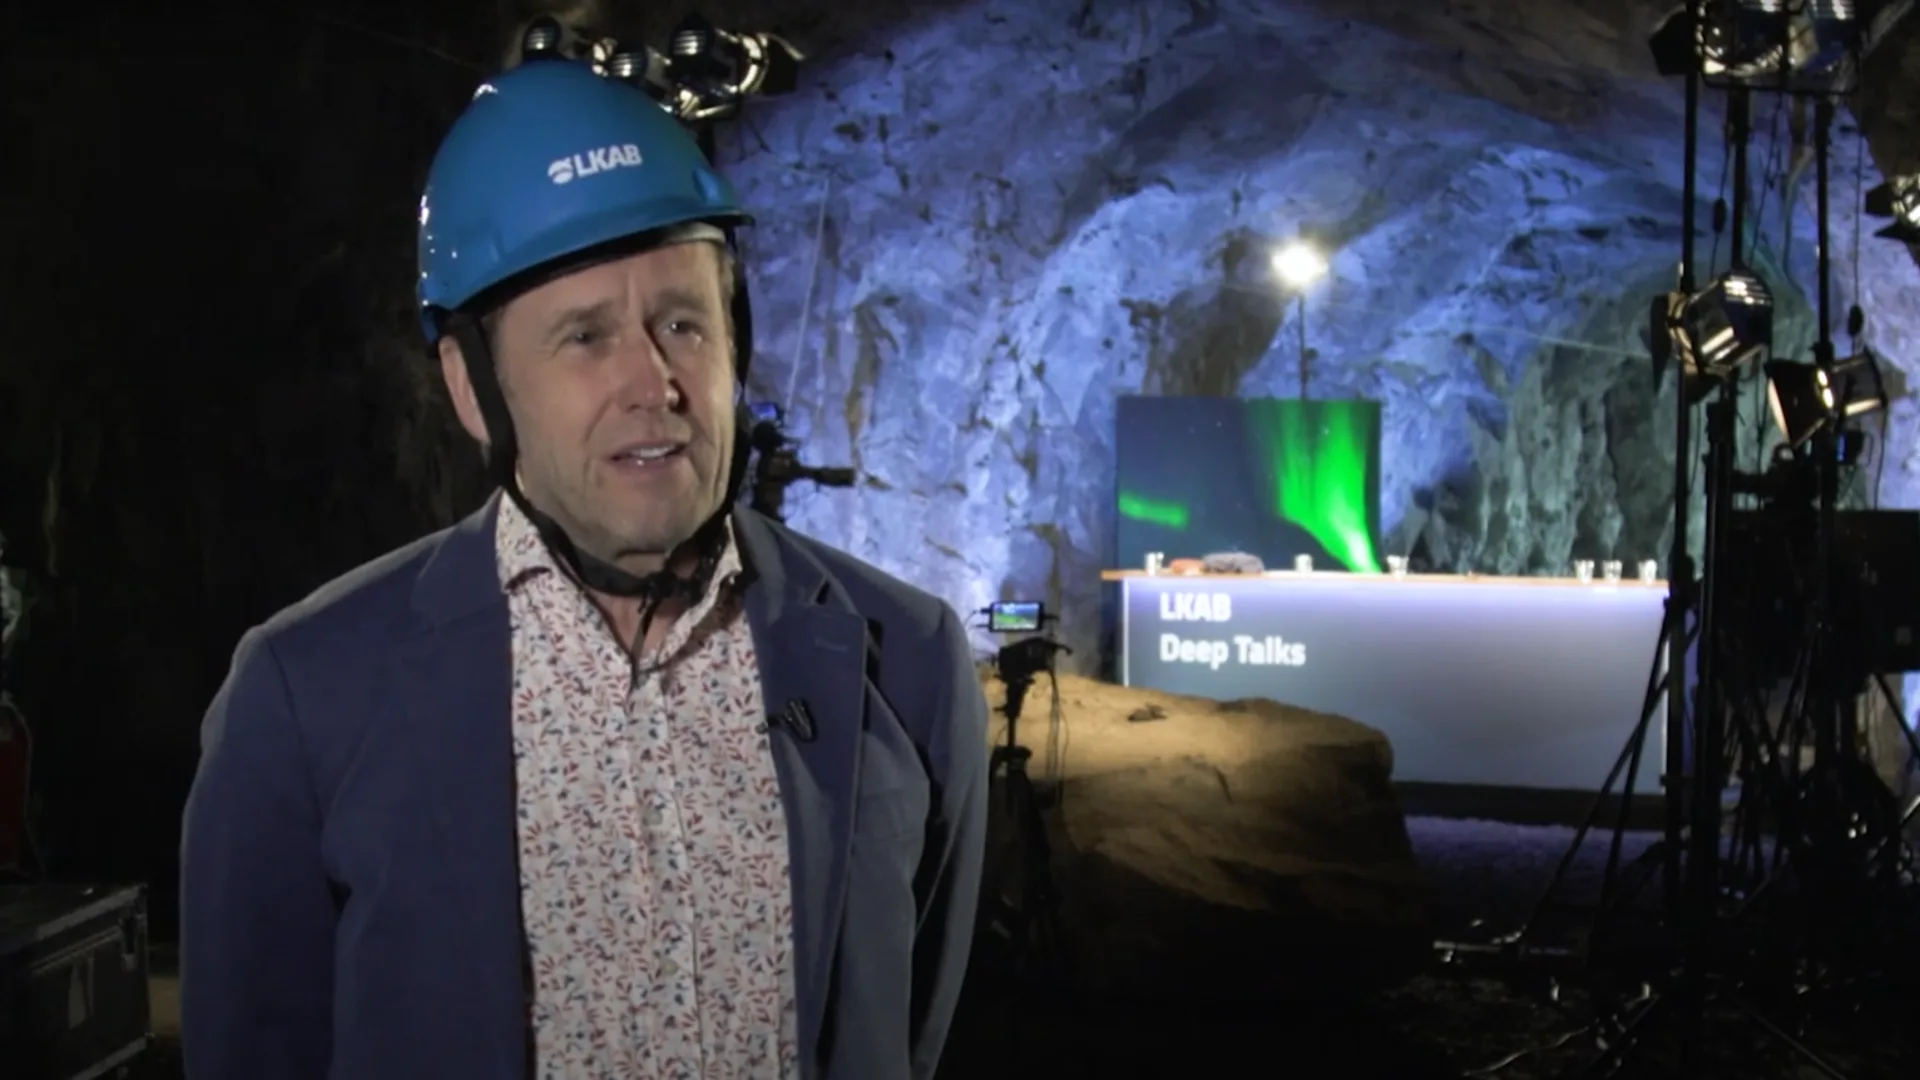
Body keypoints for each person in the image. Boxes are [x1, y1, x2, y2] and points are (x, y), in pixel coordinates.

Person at [179, 53, 990, 1080]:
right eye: (584, 337)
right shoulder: (303, 702)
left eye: (682, 323)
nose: (651, 382)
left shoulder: (904, 663)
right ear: (475, 390)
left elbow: (909, 1032)